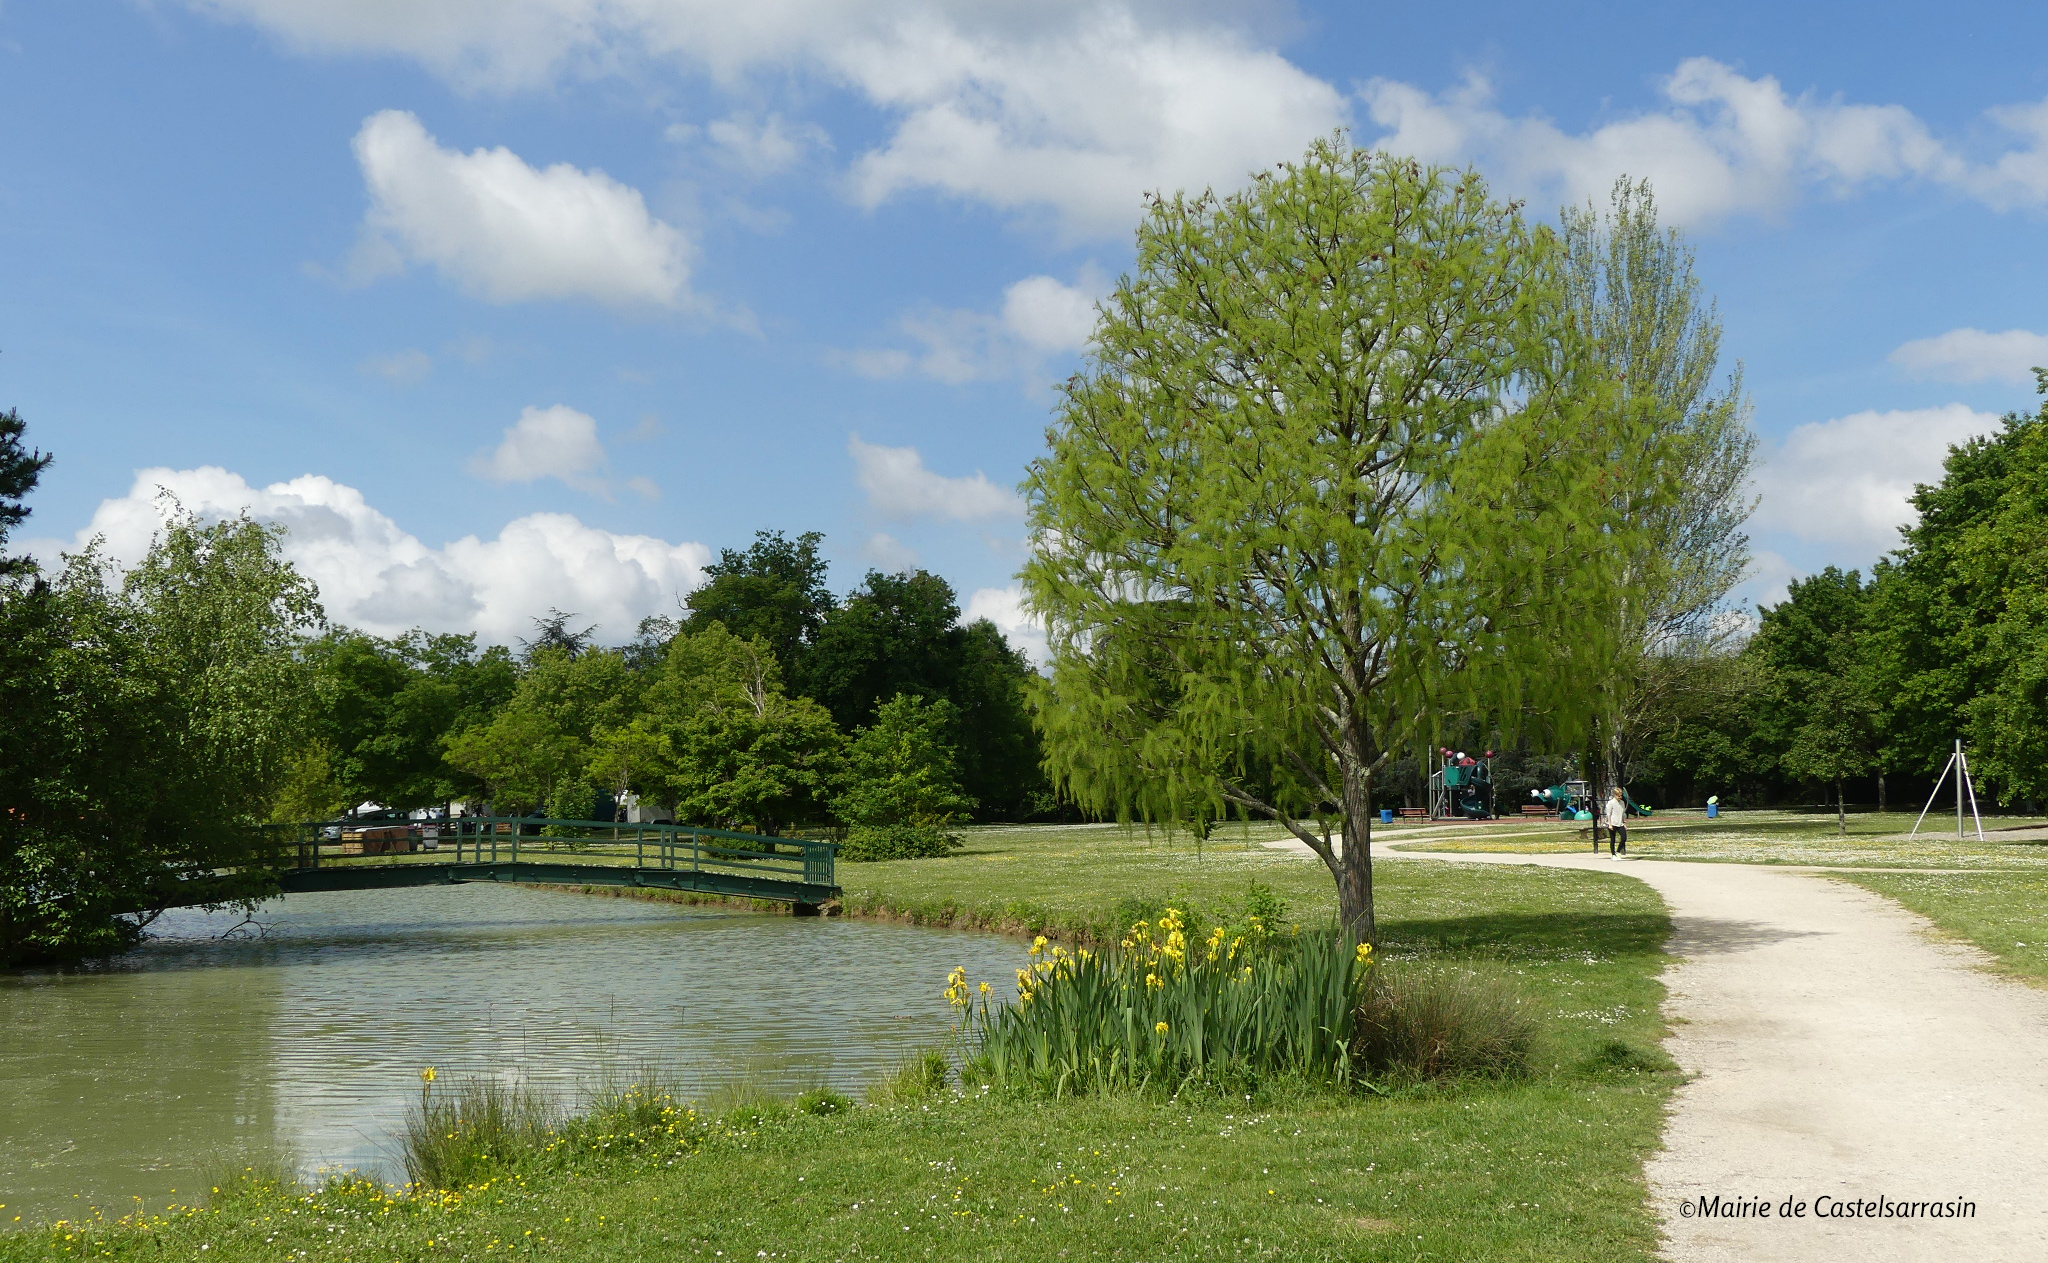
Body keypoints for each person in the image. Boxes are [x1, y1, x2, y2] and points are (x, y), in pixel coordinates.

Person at [1604, 787, 1629, 856]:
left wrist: (1624, 822)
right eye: (1618, 796)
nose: (1620, 797)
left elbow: (1622, 813)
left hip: (1620, 823)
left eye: (1621, 796)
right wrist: (1610, 824)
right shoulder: (1611, 803)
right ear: (1615, 795)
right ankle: (1613, 854)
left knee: (1624, 838)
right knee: (1613, 839)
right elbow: (1608, 814)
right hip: (1613, 823)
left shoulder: (1622, 803)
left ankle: (1618, 851)